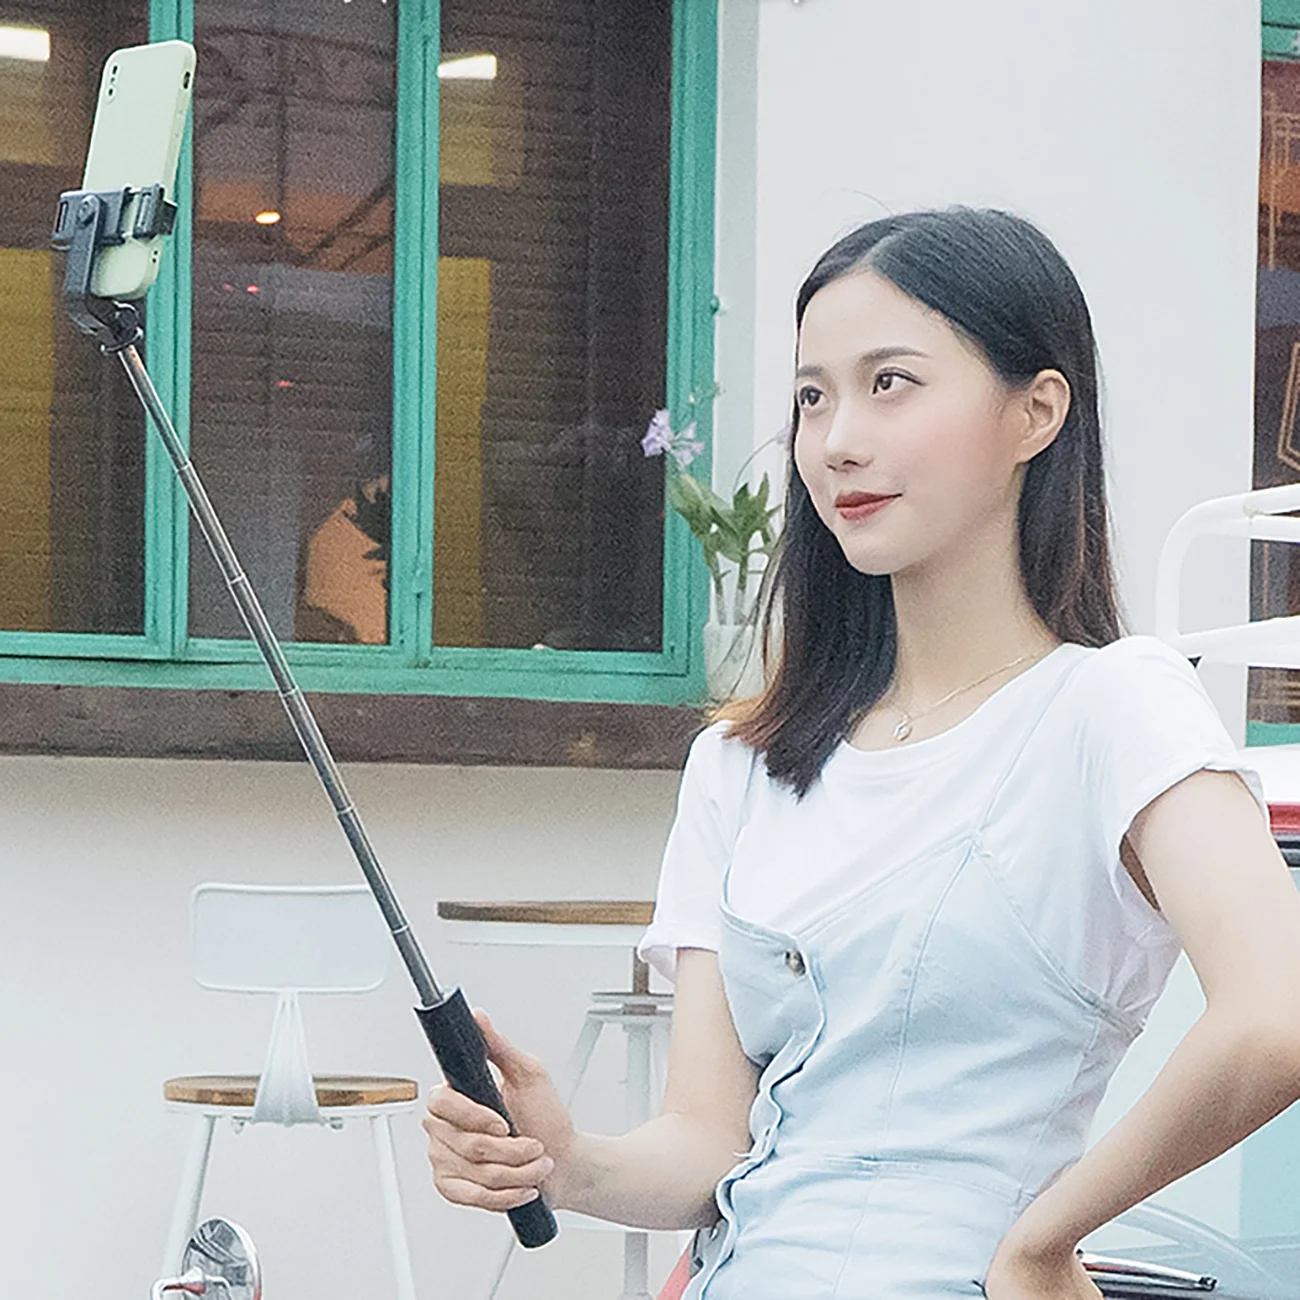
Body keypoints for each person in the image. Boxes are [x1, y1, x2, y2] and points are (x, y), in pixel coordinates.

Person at [423, 208, 1300, 1298]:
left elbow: (1275, 1015)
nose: (836, 438)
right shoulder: (742, 763)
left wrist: (1044, 1239)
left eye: (891, 383)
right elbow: (709, 1143)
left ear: (1036, 411)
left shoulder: (1112, 705)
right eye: (811, 396)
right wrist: (569, 1162)